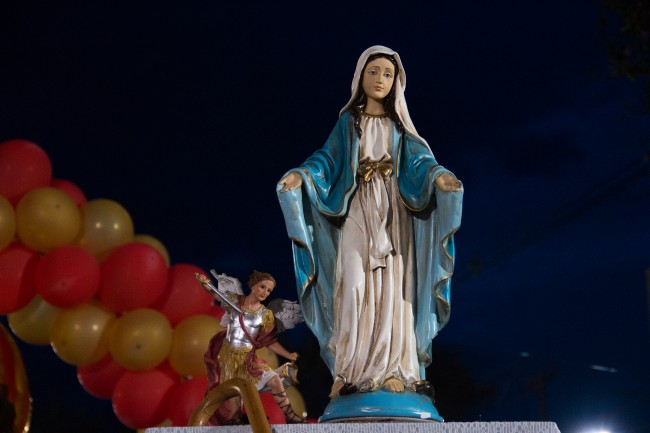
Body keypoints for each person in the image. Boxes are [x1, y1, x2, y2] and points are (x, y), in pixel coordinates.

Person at [277, 45, 463, 401]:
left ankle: (394, 369)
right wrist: (302, 175)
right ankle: (348, 370)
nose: (380, 79)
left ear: (396, 83)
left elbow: (421, 162)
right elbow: (327, 160)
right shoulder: (349, 122)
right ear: (360, 77)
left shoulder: (399, 127)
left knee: (395, 288)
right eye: (373, 71)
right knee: (352, 284)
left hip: (394, 213)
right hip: (358, 207)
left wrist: (439, 177)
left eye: (388, 74)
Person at [202, 270, 305, 424]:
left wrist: (288, 354)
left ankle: (290, 415)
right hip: (228, 356)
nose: (265, 292)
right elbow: (216, 295)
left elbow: (269, 341)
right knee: (235, 391)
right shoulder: (235, 301)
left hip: (249, 357)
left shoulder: (266, 315)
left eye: (269, 290)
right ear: (253, 286)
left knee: (274, 379)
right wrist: (205, 284)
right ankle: (236, 418)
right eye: (262, 287)